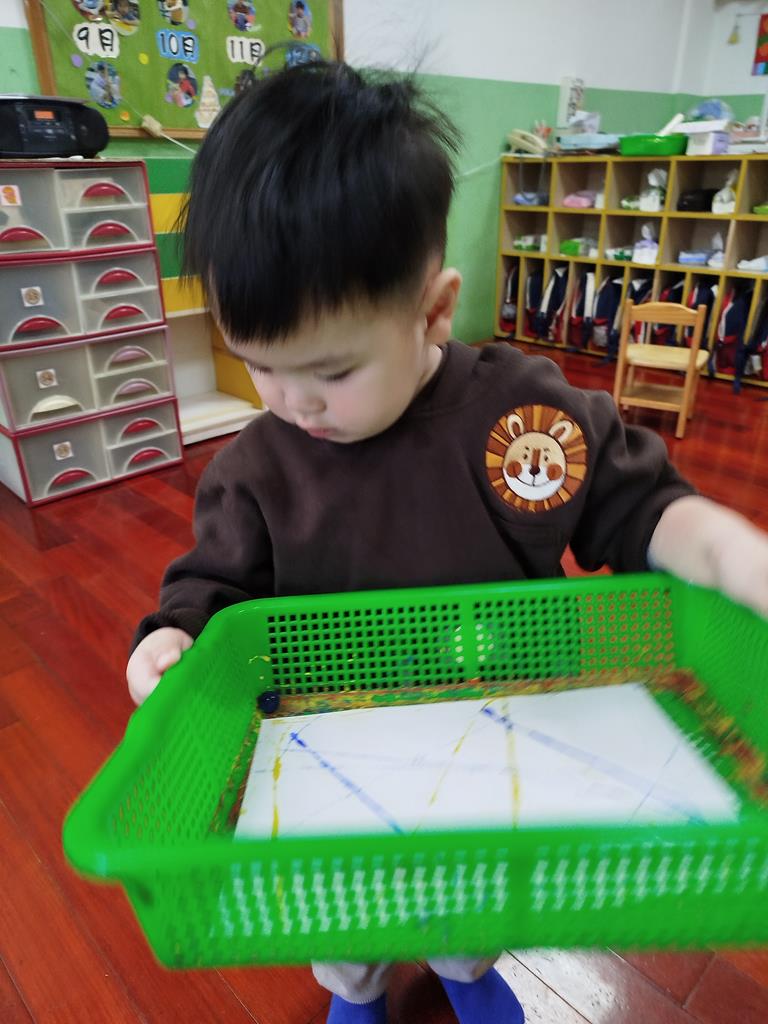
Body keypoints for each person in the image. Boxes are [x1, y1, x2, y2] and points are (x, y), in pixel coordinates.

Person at [126, 62, 768, 1024]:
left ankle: (465, 971)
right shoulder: (256, 471)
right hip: (336, 762)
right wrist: (170, 637)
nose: (293, 404)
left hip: (499, 748)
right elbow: (210, 591)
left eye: (330, 371)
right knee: (343, 920)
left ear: (432, 310)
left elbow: (639, 508)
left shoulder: (523, 420)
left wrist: (728, 550)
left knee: (470, 905)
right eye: (259, 365)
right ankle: (359, 992)